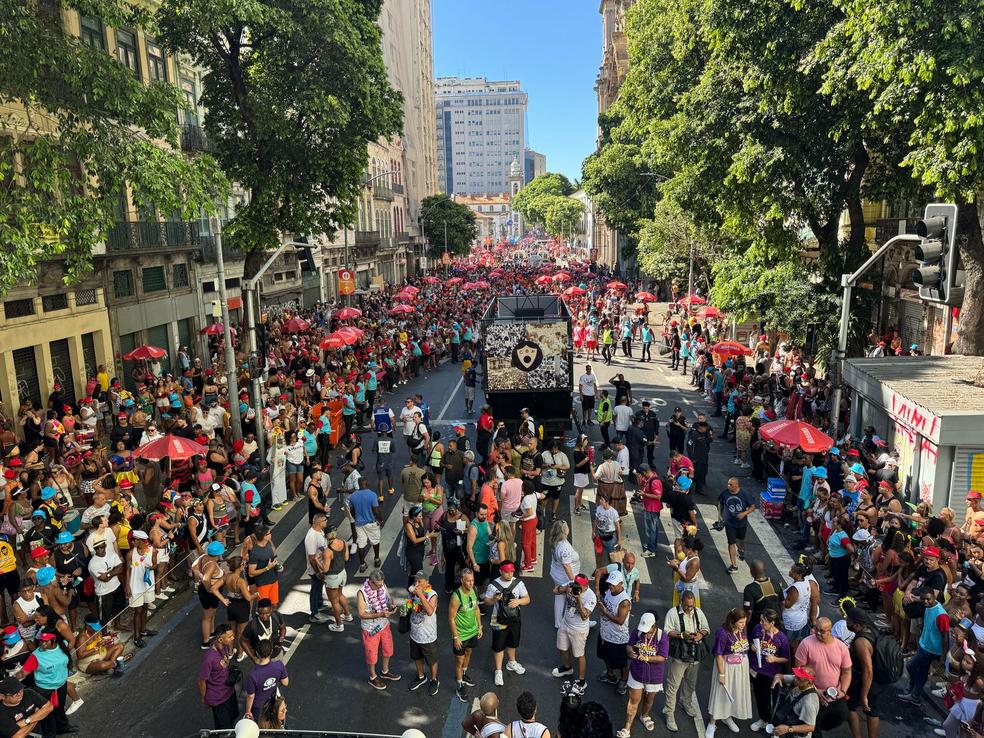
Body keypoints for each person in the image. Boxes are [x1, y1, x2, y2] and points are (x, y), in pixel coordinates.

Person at [794, 618, 851, 736]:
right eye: (816, 629)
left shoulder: (841, 647)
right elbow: (799, 670)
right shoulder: (806, 643)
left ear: (830, 631)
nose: (818, 633)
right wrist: (815, 690)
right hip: (811, 693)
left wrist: (843, 690)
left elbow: (846, 671)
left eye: (822, 631)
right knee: (813, 728)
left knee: (842, 715)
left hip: (833, 693)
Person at [663, 590, 710, 732]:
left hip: (694, 655)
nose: (690, 609)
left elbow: (706, 628)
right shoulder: (672, 613)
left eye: (692, 606)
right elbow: (667, 631)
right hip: (679, 655)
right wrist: (681, 635)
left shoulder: (698, 612)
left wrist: (700, 634)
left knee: (690, 683)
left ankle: (686, 702)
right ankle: (669, 713)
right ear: (681, 602)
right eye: (687, 606)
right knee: (673, 685)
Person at [618, 611, 670, 738]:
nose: (645, 633)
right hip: (637, 672)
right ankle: (627, 728)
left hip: (654, 676)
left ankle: (644, 715)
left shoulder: (662, 637)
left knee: (649, 699)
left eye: (648, 630)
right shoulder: (638, 631)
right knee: (633, 700)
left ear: (654, 626)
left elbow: (662, 657)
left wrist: (647, 658)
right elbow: (629, 645)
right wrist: (630, 651)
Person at [897, 586, 950, 705]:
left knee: (911, 666)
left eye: (928, 599)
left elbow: (945, 637)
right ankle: (915, 693)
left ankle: (913, 686)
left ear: (934, 597)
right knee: (922, 671)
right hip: (924, 644)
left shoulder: (941, 614)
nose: (925, 602)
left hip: (931, 649)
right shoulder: (927, 606)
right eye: (923, 599)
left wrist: (943, 657)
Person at [706, 607, 752, 738]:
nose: (744, 625)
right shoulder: (722, 633)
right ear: (733, 621)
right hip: (726, 667)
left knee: (734, 692)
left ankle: (727, 716)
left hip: (740, 667)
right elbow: (718, 655)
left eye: (744, 622)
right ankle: (712, 723)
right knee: (720, 694)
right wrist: (722, 674)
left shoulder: (743, 630)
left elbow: (744, 646)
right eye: (741, 622)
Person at [483, 562, 529, 687]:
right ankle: (498, 671)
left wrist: (518, 601)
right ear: (501, 572)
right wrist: (494, 599)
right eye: (507, 572)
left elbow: (527, 599)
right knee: (498, 646)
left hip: (514, 618)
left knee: (513, 642)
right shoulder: (493, 585)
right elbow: (486, 601)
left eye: (512, 572)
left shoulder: (518, 583)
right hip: (498, 620)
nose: (510, 574)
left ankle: (512, 662)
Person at [357, 569, 401, 690]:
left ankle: (385, 672)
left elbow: (388, 599)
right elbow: (361, 614)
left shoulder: (382, 585)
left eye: (382, 584)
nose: (380, 587)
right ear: (370, 582)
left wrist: (391, 606)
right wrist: (380, 614)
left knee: (388, 649)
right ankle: (373, 677)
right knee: (372, 654)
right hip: (370, 629)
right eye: (377, 585)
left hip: (384, 625)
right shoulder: (362, 594)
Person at [552, 573, 597, 691]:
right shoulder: (570, 585)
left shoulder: (590, 597)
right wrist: (564, 589)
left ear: (586, 585)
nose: (576, 586)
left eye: (579, 585)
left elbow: (584, 616)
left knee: (579, 655)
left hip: (579, 630)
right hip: (565, 623)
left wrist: (578, 600)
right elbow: (555, 591)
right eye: (575, 583)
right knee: (562, 648)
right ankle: (567, 668)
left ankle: (582, 681)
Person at [750, 609, 791, 731]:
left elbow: (786, 658)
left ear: (772, 623)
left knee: (771, 700)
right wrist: (752, 646)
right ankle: (763, 719)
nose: (760, 623)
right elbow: (751, 640)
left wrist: (774, 659)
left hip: (771, 675)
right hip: (756, 670)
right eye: (761, 620)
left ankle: (774, 723)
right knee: (759, 697)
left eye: (764, 621)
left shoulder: (781, 638)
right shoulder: (757, 629)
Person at [843, 607, 881, 738]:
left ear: (856, 625)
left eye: (848, 620)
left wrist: (864, 695)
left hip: (863, 679)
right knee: (873, 711)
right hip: (877, 679)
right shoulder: (873, 629)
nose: (846, 621)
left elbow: (867, 670)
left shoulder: (861, 642)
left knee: (850, 707)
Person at [450, 568, 483, 703]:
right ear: (462, 580)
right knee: (459, 660)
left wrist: (479, 626)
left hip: (473, 631)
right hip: (461, 635)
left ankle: (464, 674)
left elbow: (476, 608)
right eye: (468, 580)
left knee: (468, 653)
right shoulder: (456, 597)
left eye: (472, 580)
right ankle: (459, 686)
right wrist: (456, 637)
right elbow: (451, 618)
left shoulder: (474, 591)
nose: (471, 583)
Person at [199, 623, 239, 730]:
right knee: (223, 728)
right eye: (229, 637)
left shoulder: (224, 647)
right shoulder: (209, 659)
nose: (233, 638)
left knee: (232, 720)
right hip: (219, 700)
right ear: (221, 640)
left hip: (230, 693)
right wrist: (204, 698)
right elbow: (202, 681)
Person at [598, 570, 632, 694]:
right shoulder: (609, 592)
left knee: (621, 662)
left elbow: (620, 620)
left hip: (618, 637)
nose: (610, 586)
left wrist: (604, 611)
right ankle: (610, 674)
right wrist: (602, 603)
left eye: (613, 584)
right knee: (604, 655)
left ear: (621, 584)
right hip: (604, 633)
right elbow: (607, 605)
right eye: (610, 584)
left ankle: (623, 680)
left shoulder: (624, 601)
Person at [407, 570, 440, 697]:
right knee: (417, 657)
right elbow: (411, 603)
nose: (417, 583)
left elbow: (430, 611)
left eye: (419, 581)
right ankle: (421, 677)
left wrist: (421, 595)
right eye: (416, 580)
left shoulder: (432, 594)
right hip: (415, 633)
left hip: (428, 635)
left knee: (432, 660)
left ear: (427, 582)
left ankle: (434, 679)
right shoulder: (413, 592)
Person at [125, 530, 158, 648]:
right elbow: (128, 570)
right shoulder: (130, 554)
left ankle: (143, 630)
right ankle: (136, 636)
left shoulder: (152, 551)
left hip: (147, 585)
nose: (132, 542)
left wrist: (151, 567)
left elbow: (155, 564)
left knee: (144, 608)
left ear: (140, 540)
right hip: (135, 586)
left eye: (134, 540)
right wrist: (127, 586)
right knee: (137, 611)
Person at [769, 666, 821, 738]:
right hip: (789, 721)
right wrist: (777, 677)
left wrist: (788, 729)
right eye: (795, 676)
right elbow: (780, 676)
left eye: (798, 678)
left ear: (809, 682)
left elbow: (810, 727)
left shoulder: (809, 703)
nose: (795, 679)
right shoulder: (801, 684)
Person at [243, 639, 288, 722]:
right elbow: (285, 683)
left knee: (259, 727)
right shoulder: (279, 665)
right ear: (271, 652)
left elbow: (250, 696)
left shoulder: (253, 675)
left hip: (258, 707)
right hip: (273, 701)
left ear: (256, 653)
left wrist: (248, 711)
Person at [719, 477, 756, 572]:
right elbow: (720, 503)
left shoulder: (744, 494)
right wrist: (719, 516)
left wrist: (743, 514)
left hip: (741, 524)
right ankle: (734, 565)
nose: (728, 486)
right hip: (729, 523)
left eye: (731, 484)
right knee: (731, 542)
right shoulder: (725, 493)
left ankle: (741, 550)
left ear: (737, 485)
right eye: (728, 484)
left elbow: (752, 507)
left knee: (740, 540)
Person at [549, 520, 581, 629]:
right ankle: (575, 622)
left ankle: (558, 623)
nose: (568, 528)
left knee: (559, 597)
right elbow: (566, 566)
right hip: (564, 577)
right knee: (572, 599)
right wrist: (573, 581)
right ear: (564, 531)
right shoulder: (564, 547)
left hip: (556, 573)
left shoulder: (555, 540)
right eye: (567, 527)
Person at [349, 482, 383, 574]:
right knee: (375, 541)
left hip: (359, 524)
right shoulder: (372, 495)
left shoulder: (353, 496)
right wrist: (381, 520)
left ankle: (362, 564)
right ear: (366, 484)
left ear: (359, 485)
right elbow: (376, 511)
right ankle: (376, 559)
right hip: (371, 523)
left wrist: (356, 518)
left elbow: (351, 511)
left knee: (361, 544)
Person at [743, 560, 782, 625]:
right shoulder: (775, 583)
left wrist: (745, 624)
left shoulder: (749, 589)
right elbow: (782, 602)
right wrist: (780, 616)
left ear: (751, 572)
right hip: (774, 620)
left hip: (758, 622)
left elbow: (749, 611)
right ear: (764, 570)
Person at [540, 438, 569, 522]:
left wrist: (557, 467)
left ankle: (553, 512)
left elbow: (567, 466)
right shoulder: (545, 454)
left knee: (556, 497)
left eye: (556, 448)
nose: (554, 450)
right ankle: (542, 512)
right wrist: (546, 465)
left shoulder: (562, 455)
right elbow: (540, 464)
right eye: (553, 448)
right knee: (544, 498)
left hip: (558, 481)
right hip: (545, 481)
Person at [638, 465, 663, 557]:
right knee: (653, 529)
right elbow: (641, 486)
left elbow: (658, 496)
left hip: (652, 509)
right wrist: (639, 479)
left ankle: (651, 550)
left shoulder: (654, 482)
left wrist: (644, 494)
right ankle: (652, 544)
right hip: (649, 507)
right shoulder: (648, 479)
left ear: (644, 472)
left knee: (650, 530)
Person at [593, 494, 623, 569]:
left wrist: (619, 540)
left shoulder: (613, 512)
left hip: (610, 538)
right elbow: (596, 520)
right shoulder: (599, 508)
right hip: (600, 535)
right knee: (599, 554)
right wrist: (593, 531)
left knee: (611, 556)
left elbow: (618, 527)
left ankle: (610, 570)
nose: (600, 501)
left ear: (607, 502)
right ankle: (598, 569)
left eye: (602, 500)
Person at [686, 417, 713, 495]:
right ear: (701, 428)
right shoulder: (694, 434)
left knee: (703, 473)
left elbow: (709, 441)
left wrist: (710, 435)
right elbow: (689, 445)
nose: (706, 429)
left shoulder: (704, 434)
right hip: (696, 458)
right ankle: (691, 488)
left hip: (704, 457)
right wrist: (692, 457)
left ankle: (699, 488)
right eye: (705, 428)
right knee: (695, 474)